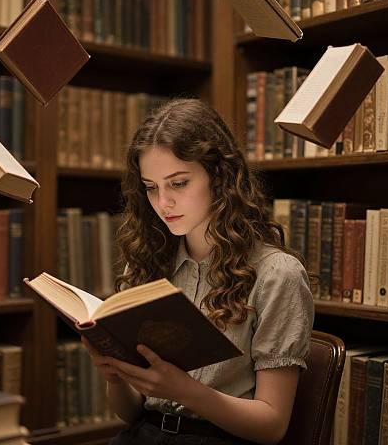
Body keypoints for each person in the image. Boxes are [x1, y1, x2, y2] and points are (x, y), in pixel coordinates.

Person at [81, 98, 314, 445]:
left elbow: (272, 425)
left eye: (178, 183)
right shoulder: (149, 262)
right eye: (151, 187)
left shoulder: (276, 274)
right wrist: (117, 377)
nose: (163, 203)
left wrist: (185, 391)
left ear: (219, 177)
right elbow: (131, 414)